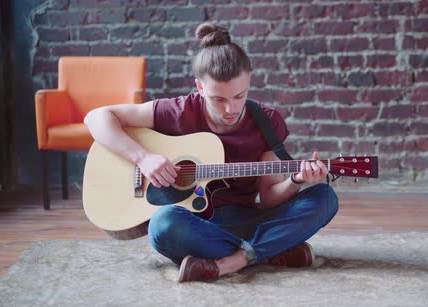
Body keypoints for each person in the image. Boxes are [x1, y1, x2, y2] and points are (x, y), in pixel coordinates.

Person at [84, 23, 339, 282]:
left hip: (247, 218)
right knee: (162, 225)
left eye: (239, 96)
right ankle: (272, 249)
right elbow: (96, 118)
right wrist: (143, 158)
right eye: (218, 99)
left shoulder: (267, 122)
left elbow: (270, 198)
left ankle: (232, 262)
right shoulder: (180, 111)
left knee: (325, 198)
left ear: (249, 79)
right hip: (198, 226)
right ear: (200, 87)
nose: (231, 108)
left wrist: (296, 181)